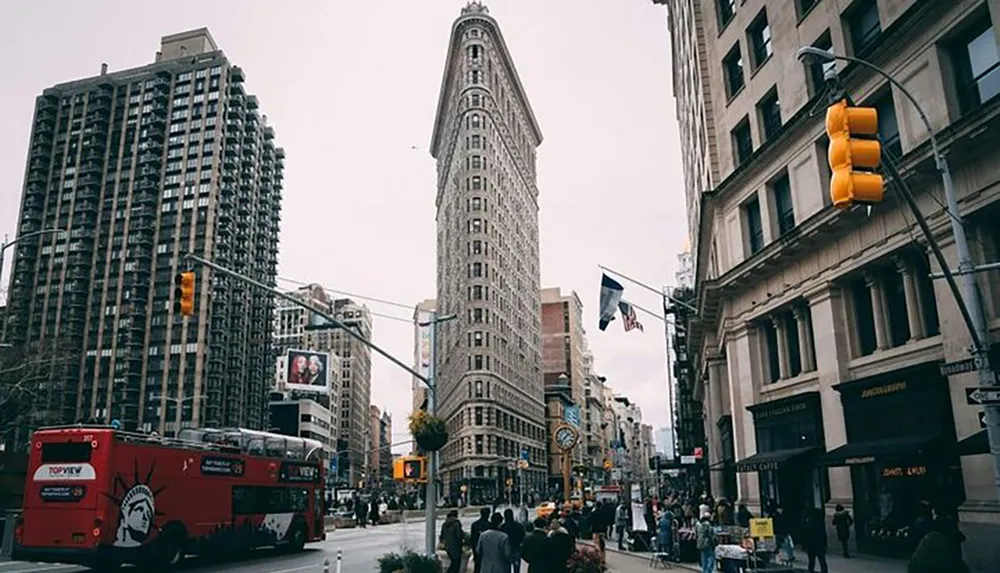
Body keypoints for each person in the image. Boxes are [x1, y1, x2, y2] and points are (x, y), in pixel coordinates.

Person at [801, 508, 829, 573]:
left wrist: (805, 546)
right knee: (822, 562)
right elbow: (824, 535)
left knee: (811, 562)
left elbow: (806, 536)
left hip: (811, 547)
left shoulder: (808, 524)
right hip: (820, 546)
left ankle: (811, 571)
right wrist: (825, 545)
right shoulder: (820, 524)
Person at [502, 508, 526, 573]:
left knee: (506, 568)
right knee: (516, 569)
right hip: (516, 548)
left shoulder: (503, 527)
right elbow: (523, 536)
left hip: (505, 550)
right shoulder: (518, 526)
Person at [470, 507, 492, 573]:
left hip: (477, 548)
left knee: (477, 567)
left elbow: (472, 538)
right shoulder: (490, 525)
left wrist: (474, 549)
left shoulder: (474, 525)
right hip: (487, 550)